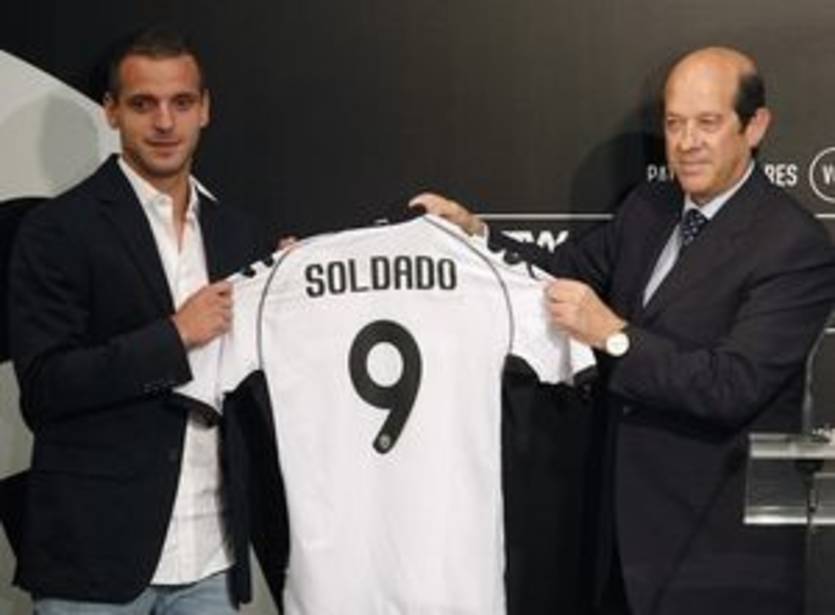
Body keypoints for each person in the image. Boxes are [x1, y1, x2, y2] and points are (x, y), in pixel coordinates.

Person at [411, 46, 835, 615]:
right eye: (675, 123)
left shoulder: (793, 244)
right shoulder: (649, 207)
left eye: (708, 123)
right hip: (621, 547)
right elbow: (556, 274)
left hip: (718, 560)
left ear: (754, 126)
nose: (687, 142)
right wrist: (473, 234)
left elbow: (732, 386)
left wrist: (613, 335)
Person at [7, 27, 272, 613]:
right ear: (111, 111)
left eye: (181, 102)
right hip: (94, 561)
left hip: (212, 555)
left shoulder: (239, 233)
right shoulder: (57, 230)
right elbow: (45, 388)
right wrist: (175, 336)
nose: (164, 122)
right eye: (143, 104)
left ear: (205, 109)